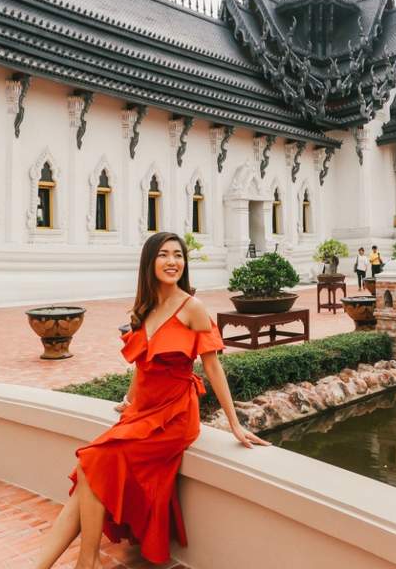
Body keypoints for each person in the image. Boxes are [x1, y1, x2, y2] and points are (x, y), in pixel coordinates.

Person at [34, 232, 268, 568]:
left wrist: (235, 424)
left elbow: (214, 369)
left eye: (178, 255)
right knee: (89, 469)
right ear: (149, 262)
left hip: (174, 417)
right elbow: (143, 363)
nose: (173, 261)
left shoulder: (193, 307)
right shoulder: (145, 308)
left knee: (92, 463)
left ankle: (86, 563)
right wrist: (128, 399)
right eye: (164, 255)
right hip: (143, 413)